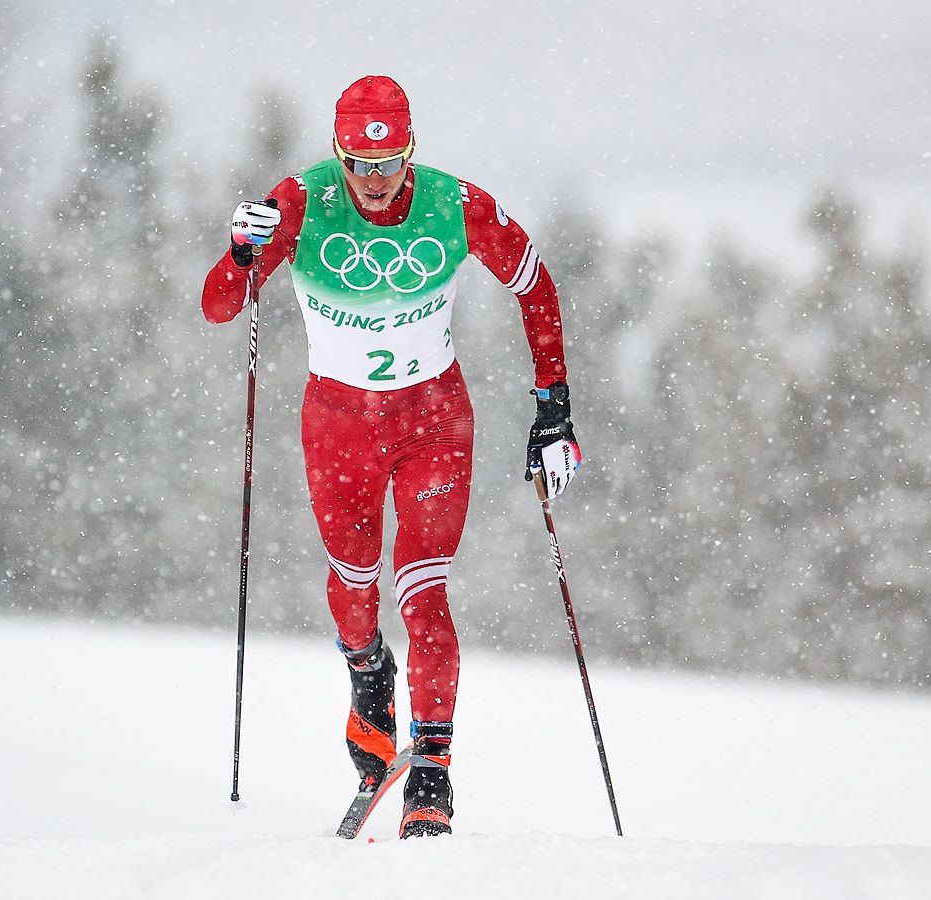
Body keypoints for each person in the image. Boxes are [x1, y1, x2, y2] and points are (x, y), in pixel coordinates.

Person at [201, 75, 582, 838]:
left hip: (432, 421)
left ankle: (432, 776)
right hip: (337, 427)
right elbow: (218, 305)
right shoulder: (300, 203)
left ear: (412, 152)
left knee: (426, 594)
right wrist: (241, 253)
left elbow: (535, 284)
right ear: (339, 154)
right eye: (358, 165)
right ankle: (368, 668)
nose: (373, 183)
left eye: (389, 164)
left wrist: (555, 408)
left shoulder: (456, 205)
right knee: (354, 586)